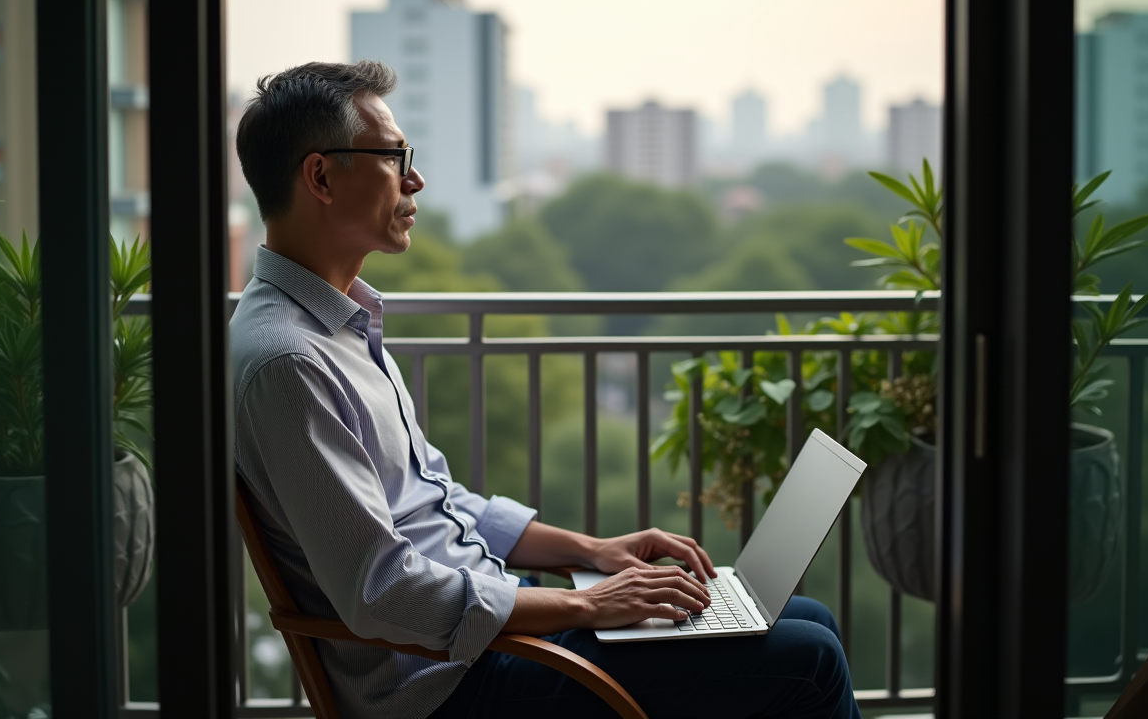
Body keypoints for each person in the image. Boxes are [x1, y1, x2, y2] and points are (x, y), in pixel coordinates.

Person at [230, 60, 861, 719]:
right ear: (322, 177)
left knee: (806, 619)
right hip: (451, 684)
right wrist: (587, 604)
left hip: (488, 629)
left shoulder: (338, 324)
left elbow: (439, 503)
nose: (414, 179)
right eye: (394, 157)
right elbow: (380, 590)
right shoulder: (290, 362)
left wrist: (593, 554)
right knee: (809, 662)